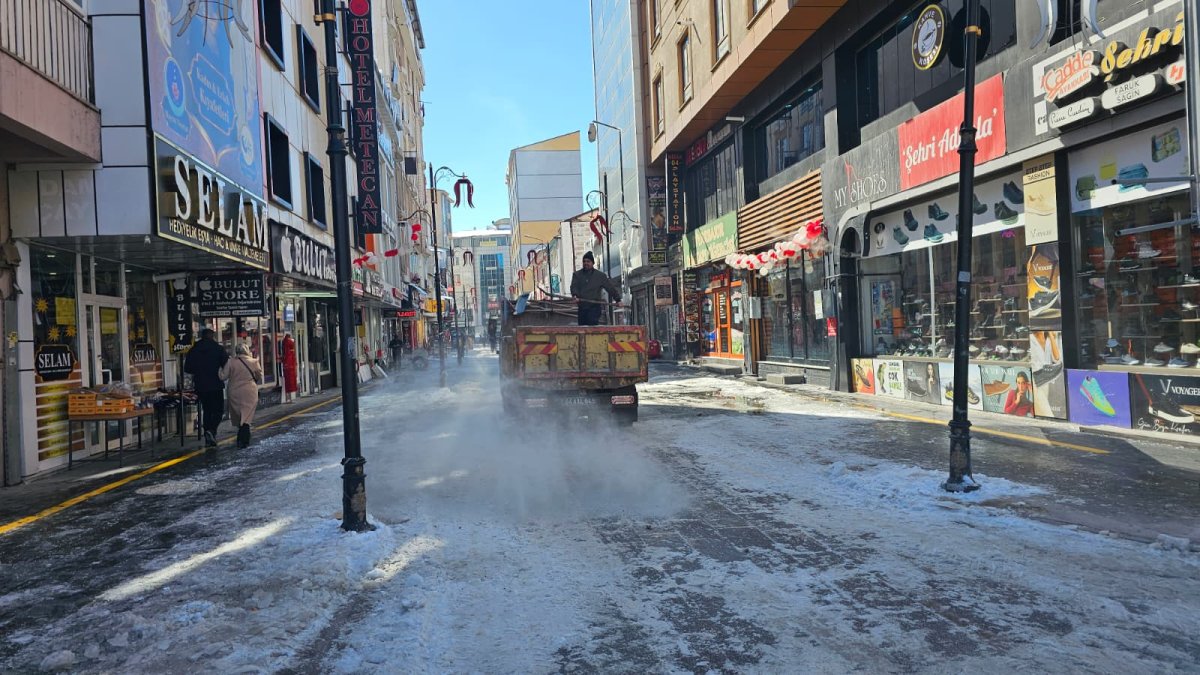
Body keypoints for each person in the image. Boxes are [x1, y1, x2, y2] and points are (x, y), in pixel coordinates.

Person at [184, 328, 228, 448]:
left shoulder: (194, 350)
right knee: (218, 410)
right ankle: (211, 430)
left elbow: (187, 368)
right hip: (215, 384)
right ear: (212, 336)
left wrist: (199, 371)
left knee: (207, 410)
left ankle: (208, 434)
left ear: (201, 336)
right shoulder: (218, 349)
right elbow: (226, 364)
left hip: (200, 385)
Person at [220, 343, 263, 448]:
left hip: (234, 391)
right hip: (250, 392)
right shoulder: (254, 362)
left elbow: (223, 377)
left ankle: (241, 438)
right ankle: (243, 440)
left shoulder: (230, 362)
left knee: (239, 415)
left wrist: (218, 370)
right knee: (247, 416)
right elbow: (259, 376)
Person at [569, 251, 622, 326]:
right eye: (584, 261)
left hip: (594, 307)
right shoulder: (577, 275)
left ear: (593, 263)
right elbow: (574, 287)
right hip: (582, 307)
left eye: (588, 261)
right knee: (582, 328)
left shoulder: (600, 276)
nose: (586, 263)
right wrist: (575, 296)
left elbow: (610, 288)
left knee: (592, 325)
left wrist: (618, 300)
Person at [281, 332, 298, 403]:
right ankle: (289, 398)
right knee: (290, 382)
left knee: (287, 382)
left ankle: (288, 397)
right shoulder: (290, 351)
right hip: (290, 367)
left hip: (287, 366)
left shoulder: (284, 344)